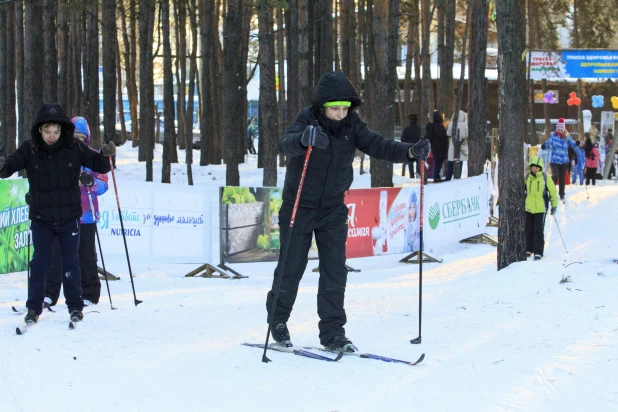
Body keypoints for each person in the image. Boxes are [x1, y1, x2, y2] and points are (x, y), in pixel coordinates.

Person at [266, 71, 430, 352]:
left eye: (345, 108)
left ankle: (333, 333)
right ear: (322, 106)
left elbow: (378, 144)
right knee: (291, 267)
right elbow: (285, 143)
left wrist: (410, 152)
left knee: (334, 271)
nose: (341, 114)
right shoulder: (308, 119)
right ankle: (277, 322)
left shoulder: (352, 124)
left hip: (332, 208)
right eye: (335, 109)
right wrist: (303, 139)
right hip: (299, 206)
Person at [0, 104, 115, 325]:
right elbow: (11, 165)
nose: (51, 136)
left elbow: (99, 163)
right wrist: (3, 165)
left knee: (71, 263)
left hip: (69, 217)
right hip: (42, 218)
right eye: (47, 131)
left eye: (56, 131)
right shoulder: (30, 148)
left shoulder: (74, 147)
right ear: (39, 130)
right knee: (40, 262)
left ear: (62, 130)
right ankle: (34, 307)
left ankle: (75, 306)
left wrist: (107, 154)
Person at [45, 117, 109, 307]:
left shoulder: (94, 157)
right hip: (61, 215)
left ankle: (89, 294)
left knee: (85, 256)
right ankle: (48, 294)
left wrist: (91, 182)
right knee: (54, 255)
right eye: (74, 136)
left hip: (86, 216)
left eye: (82, 136)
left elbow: (104, 185)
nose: (78, 140)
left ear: (87, 138)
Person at [525, 156, 558, 261]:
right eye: (533, 167)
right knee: (529, 229)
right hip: (529, 208)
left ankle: (538, 251)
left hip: (541, 208)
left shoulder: (545, 177)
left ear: (540, 168)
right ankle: (528, 248)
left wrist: (554, 205)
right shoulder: (527, 177)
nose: (535, 169)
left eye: (537, 167)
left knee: (538, 230)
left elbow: (552, 191)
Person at [541, 118, 578, 201]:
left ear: (563, 129)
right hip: (554, 161)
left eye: (561, 129)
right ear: (556, 129)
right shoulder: (553, 137)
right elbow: (548, 143)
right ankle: (552, 193)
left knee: (562, 179)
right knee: (555, 176)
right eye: (558, 129)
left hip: (564, 161)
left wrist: (577, 144)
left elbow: (573, 144)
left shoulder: (567, 137)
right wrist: (544, 146)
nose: (559, 130)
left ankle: (562, 194)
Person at [445, 110, 469, 181]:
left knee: (450, 162)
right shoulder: (464, 125)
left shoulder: (451, 123)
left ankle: (448, 177)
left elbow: (448, 134)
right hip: (461, 146)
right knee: (459, 162)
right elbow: (467, 135)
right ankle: (458, 177)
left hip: (452, 145)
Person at [426, 110, 448, 182]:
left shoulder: (432, 126)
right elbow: (442, 136)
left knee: (437, 161)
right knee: (439, 161)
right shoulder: (439, 126)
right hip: (440, 147)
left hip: (435, 146)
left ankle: (436, 175)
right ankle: (436, 176)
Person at [400, 113, 421, 178]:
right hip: (418, 148)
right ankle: (418, 174)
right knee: (418, 162)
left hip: (409, 148)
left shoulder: (406, 129)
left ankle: (411, 176)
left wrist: (405, 145)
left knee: (410, 163)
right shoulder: (419, 129)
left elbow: (403, 139)